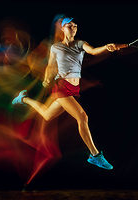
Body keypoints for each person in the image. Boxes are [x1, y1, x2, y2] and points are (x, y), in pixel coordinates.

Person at [12, 17, 120, 170]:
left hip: (74, 89)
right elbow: (50, 66)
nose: (73, 27)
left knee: (47, 115)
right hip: (61, 86)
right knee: (82, 117)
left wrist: (106, 47)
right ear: (63, 29)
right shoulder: (56, 47)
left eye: (75, 25)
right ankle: (95, 155)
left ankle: (23, 99)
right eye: (70, 25)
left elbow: (93, 51)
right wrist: (47, 78)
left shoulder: (80, 44)